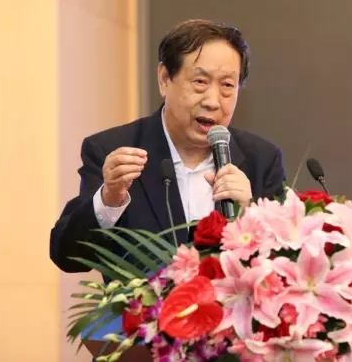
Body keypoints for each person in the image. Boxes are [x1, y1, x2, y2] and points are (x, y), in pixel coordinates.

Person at [49, 19, 286, 273]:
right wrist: (109, 200)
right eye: (200, 82)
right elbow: (67, 256)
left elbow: (285, 264)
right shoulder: (114, 151)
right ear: (164, 79)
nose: (213, 101)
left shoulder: (261, 160)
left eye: (227, 85)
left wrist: (250, 212)